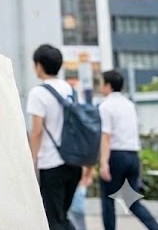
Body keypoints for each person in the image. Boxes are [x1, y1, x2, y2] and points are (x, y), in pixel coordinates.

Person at [26, 44, 86, 230]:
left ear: (39, 65)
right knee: (61, 217)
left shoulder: (38, 93)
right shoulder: (71, 90)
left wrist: (31, 161)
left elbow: (37, 132)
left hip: (51, 165)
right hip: (74, 164)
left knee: (53, 220)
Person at [98, 69, 158, 230]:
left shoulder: (105, 106)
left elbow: (106, 136)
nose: (100, 86)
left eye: (101, 83)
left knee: (107, 199)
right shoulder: (130, 105)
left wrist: (103, 163)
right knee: (132, 201)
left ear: (108, 85)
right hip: (132, 155)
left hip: (116, 155)